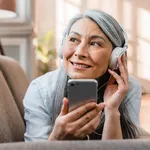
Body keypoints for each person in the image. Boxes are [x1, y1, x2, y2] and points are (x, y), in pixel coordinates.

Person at [23, 9, 142, 141]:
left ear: (115, 56)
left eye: (95, 43)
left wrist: (112, 111)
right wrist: (57, 137)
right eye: (73, 39)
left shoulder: (128, 88)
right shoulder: (41, 89)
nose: (79, 52)